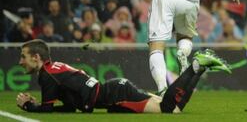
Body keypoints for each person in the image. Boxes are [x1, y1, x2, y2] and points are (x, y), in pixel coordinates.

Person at [16, 39, 231, 113]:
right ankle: (200, 67)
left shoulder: (46, 76)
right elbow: (71, 106)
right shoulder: (53, 69)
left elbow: (46, 110)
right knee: (173, 108)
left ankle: (195, 66)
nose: (20, 61)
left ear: (36, 57)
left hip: (115, 95)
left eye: (23, 56)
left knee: (168, 110)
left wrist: (29, 106)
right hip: (114, 92)